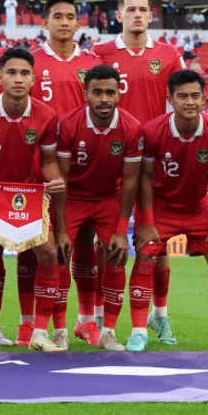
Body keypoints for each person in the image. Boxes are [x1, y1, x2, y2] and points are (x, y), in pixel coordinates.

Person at [0, 47, 67, 352]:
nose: (18, 79)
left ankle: (39, 333)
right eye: (11, 72)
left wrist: (53, 178)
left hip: (24, 195)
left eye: (24, 74)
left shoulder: (46, 116)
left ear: (34, 79)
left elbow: (47, 161)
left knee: (48, 253)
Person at [130, 69, 208, 352]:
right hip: (160, 204)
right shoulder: (153, 131)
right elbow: (143, 177)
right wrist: (145, 220)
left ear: (204, 97)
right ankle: (138, 331)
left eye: (195, 95)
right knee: (146, 255)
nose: (189, 101)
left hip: (198, 204)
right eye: (182, 96)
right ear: (170, 98)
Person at [93, 0, 184, 333]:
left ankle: (160, 317)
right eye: (130, 9)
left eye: (143, 9)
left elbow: (181, 102)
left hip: (152, 160)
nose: (137, 15)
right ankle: (100, 311)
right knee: (105, 241)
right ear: (118, 15)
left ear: (150, 15)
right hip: (110, 158)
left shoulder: (168, 54)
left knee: (157, 242)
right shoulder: (99, 53)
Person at [25, 0, 100, 348]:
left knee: (82, 247)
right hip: (38, 168)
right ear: (45, 22)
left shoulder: (93, 63)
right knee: (39, 249)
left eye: (71, 16)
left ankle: (84, 321)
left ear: (79, 23)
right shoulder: (30, 63)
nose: (65, 22)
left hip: (82, 170)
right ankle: (40, 325)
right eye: (58, 16)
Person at [53, 64, 142, 351]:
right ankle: (59, 330)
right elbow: (62, 178)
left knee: (117, 254)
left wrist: (120, 229)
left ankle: (108, 332)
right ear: (86, 94)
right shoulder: (68, 124)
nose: (104, 98)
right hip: (74, 195)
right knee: (59, 252)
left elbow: (129, 182)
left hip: (108, 198)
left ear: (119, 94)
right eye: (98, 92)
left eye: (110, 92)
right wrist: (61, 228)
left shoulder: (131, 128)